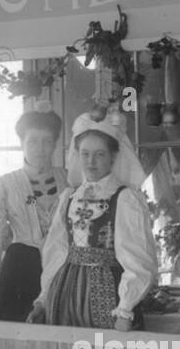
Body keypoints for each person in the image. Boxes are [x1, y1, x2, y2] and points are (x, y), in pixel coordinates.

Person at [28, 114, 157, 331]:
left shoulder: (124, 198)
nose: (91, 161)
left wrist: (125, 309)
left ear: (113, 157)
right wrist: (43, 298)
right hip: (66, 292)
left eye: (99, 154)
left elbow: (138, 258)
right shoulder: (69, 196)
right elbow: (56, 252)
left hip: (109, 294)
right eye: (85, 154)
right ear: (77, 156)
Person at [0, 111, 69, 323]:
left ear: (55, 144)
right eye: (33, 141)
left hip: (63, 272)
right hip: (20, 270)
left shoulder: (70, 181)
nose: (40, 148)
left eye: (47, 141)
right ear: (21, 143)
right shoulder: (4, 184)